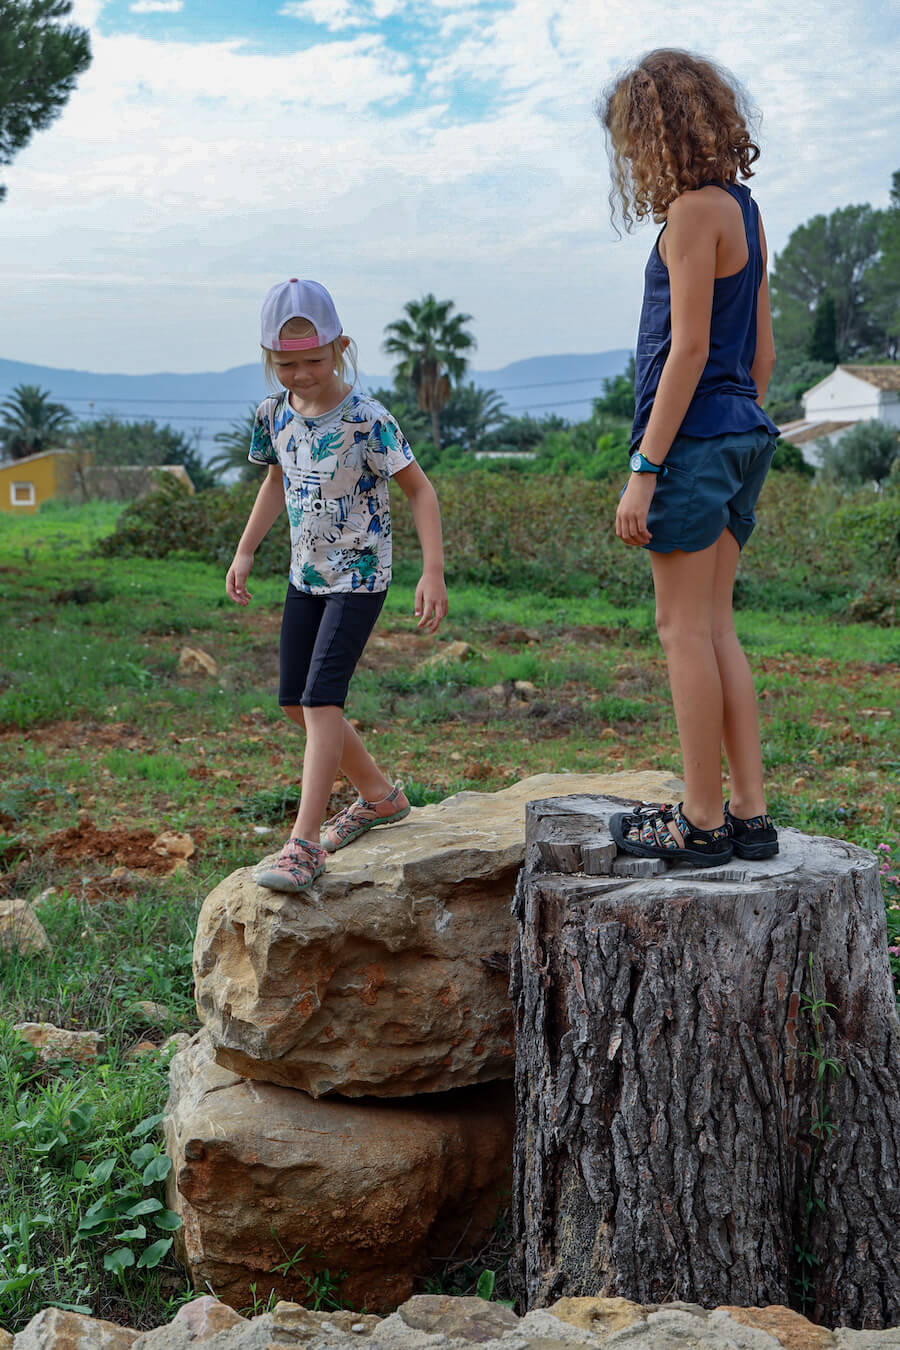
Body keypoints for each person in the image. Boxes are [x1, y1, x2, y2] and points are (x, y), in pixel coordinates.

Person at [599, 49, 780, 867]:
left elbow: (690, 348)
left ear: (651, 135)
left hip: (695, 444)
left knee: (680, 629)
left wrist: (646, 469)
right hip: (744, 434)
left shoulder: (690, 216)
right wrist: (742, 422)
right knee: (716, 627)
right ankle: (749, 813)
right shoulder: (744, 210)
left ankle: (700, 820)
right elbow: (761, 351)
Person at [226, 278, 448, 892]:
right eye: (286, 365)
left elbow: (420, 491)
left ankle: (303, 845)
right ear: (270, 359)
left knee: (322, 701)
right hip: (306, 576)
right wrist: (245, 550)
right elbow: (276, 481)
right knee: (294, 703)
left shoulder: (368, 419)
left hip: (360, 577)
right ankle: (378, 796)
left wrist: (432, 570)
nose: (301, 375)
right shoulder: (273, 414)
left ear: (340, 349)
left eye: (314, 361)